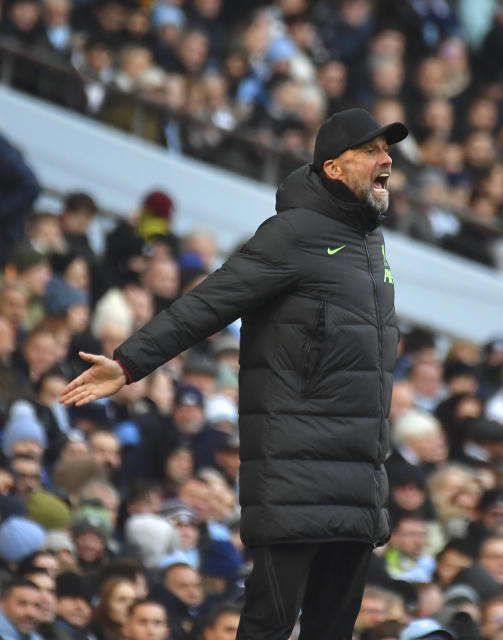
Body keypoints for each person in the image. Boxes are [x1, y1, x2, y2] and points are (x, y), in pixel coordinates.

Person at [59, 108, 409, 640]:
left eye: (388, 150)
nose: (387, 160)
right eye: (372, 151)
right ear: (334, 169)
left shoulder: (372, 246)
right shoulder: (291, 234)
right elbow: (210, 303)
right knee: (268, 626)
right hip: (295, 476)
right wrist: (130, 363)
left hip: (359, 480)